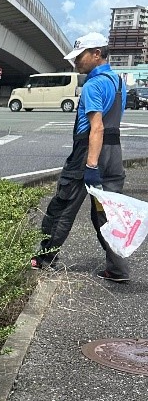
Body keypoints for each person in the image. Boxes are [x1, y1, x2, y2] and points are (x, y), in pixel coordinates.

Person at [32, 32, 129, 281]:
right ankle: (117, 269)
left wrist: (91, 165)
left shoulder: (93, 85)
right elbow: (113, 123)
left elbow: (96, 127)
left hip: (89, 153)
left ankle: (44, 258)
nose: (76, 62)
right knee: (107, 213)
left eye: (80, 57)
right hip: (114, 154)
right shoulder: (118, 82)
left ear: (96, 54)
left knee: (63, 205)